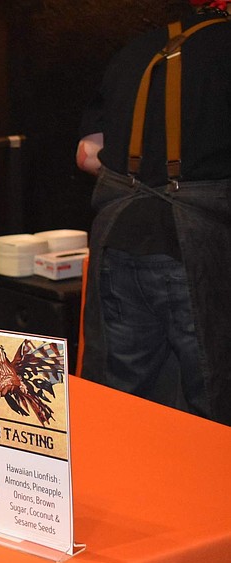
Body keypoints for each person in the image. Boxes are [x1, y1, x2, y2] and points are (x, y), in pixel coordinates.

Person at [75, 1, 231, 426]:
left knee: (125, 400)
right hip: (197, 248)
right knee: (210, 402)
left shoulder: (138, 47)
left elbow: (87, 154)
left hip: (121, 241)